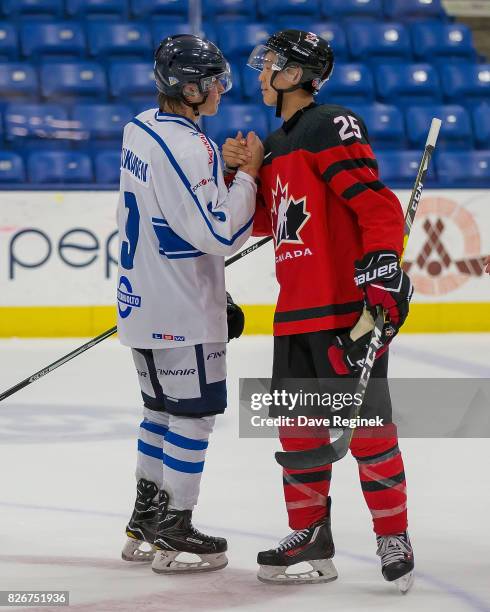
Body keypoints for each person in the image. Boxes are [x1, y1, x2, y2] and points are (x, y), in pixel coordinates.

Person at [223, 30, 414, 592]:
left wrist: (381, 271)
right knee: (299, 430)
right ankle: (310, 536)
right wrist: (246, 171)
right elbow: (270, 223)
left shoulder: (329, 124)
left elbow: (377, 204)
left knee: (368, 429)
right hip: (296, 313)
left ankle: (392, 534)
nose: (262, 75)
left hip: (342, 311)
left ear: (295, 74)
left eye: (271, 66)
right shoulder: (278, 143)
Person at [117, 34, 263, 575]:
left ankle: (145, 519)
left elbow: (174, 211)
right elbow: (218, 233)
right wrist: (247, 176)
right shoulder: (188, 145)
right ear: (192, 88)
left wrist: (219, 179)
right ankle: (176, 528)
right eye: (216, 81)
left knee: (159, 411)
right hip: (180, 309)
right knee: (194, 417)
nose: (224, 88)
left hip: (142, 301)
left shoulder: (139, 126)